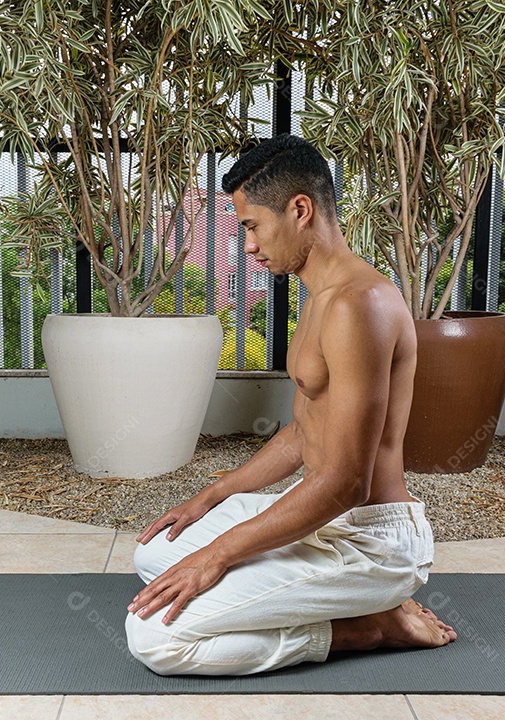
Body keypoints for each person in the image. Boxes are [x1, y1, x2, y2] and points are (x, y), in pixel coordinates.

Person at [125, 134, 456, 676]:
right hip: (324, 523)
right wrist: (214, 493)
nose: (248, 245)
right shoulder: (321, 296)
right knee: (157, 552)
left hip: (369, 540)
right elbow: (304, 433)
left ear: (300, 209)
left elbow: (349, 482)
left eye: (252, 226)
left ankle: (370, 625)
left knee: (155, 640)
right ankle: (351, 603)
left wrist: (219, 556)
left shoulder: (359, 305)